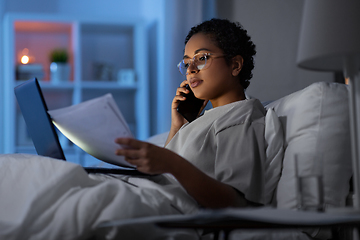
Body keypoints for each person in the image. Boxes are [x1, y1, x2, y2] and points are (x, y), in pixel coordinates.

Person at [115, 18, 266, 210]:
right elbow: (165, 175)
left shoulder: (240, 117)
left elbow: (236, 202)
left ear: (235, 65)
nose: (191, 70)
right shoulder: (207, 119)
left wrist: (173, 164)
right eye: (186, 63)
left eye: (202, 58)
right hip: (149, 196)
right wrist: (178, 126)